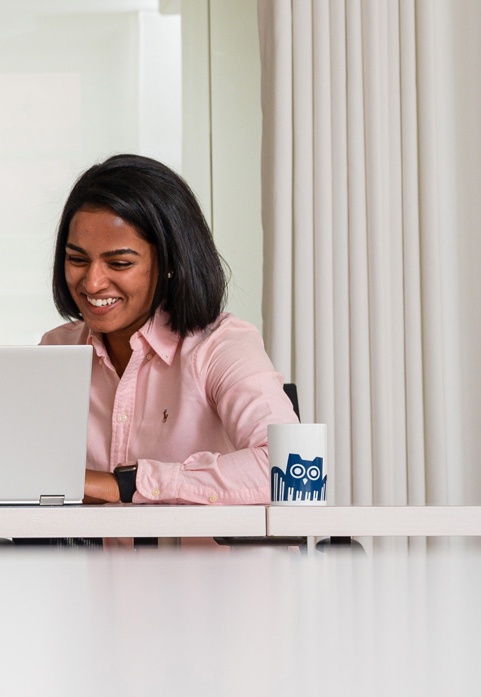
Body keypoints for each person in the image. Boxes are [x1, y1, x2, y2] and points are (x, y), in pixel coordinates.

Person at [42, 154, 295, 505]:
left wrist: (130, 484)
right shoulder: (58, 351)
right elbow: (32, 472)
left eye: (119, 263)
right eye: (77, 259)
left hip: (214, 562)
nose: (93, 281)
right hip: (101, 562)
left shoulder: (221, 345)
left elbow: (287, 467)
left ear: (171, 262)